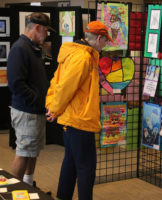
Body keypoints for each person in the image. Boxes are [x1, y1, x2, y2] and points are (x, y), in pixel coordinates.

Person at [45, 21, 113, 200]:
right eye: (105, 41)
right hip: (79, 120)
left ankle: (63, 196)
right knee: (86, 168)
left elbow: (56, 81)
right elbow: (65, 87)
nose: (105, 45)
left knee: (71, 163)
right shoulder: (82, 58)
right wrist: (54, 109)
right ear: (99, 38)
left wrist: (53, 106)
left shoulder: (76, 53)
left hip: (72, 118)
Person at [7, 12, 54, 186]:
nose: (47, 35)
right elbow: (16, 84)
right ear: (37, 28)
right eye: (46, 30)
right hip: (27, 112)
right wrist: (37, 99)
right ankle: (14, 190)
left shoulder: (33, 48)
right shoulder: (20, 49)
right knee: (24, 152)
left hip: (36, 110)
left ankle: (27, 184)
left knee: (32, 151)